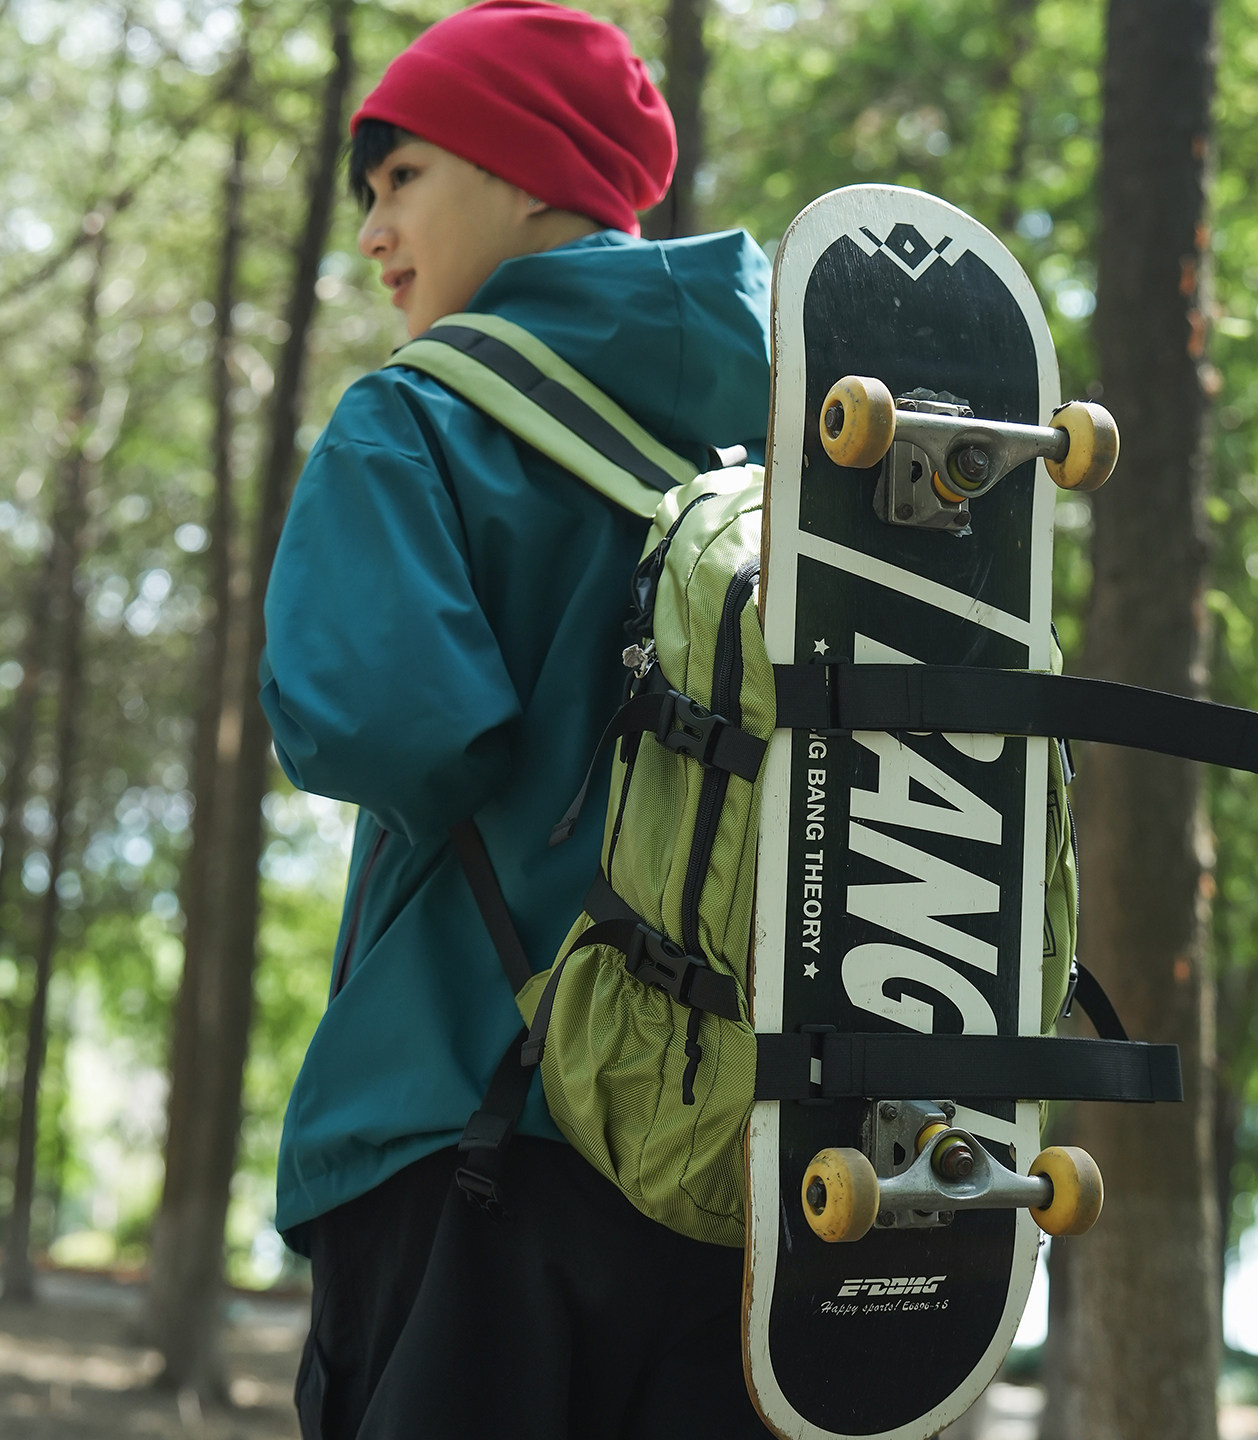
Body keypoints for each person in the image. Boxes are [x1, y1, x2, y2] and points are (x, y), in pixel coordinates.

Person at [257, 4, 773, 1436]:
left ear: (528, 173)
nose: (371, 232)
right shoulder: (776, 460)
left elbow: (384, 725)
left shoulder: (410, 422)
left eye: (401, 176)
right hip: (738, 1191)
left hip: (468, 1133)